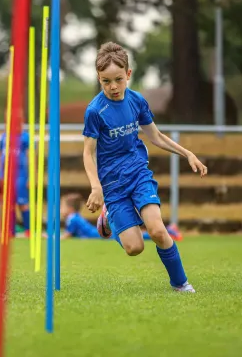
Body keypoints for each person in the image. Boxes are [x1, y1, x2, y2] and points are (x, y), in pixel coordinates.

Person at [82, 42, 208, 293]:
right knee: (134, 248)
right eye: (106, 82)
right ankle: (108, 218)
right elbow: (88, 152)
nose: (113, 87)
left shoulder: (137, 101)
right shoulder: (95, 111)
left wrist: (187, 153)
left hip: (139, 175)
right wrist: (96, 187)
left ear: (128, 74)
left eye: (118, 79)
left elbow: (156, 136)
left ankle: (180, 284)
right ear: (99, 79)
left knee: (159, 231)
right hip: (113, 186)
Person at [0, 113, 30, 236]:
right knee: (8, 204)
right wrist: (1, 172)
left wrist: (31, 176)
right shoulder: (4, 137)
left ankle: (29, 230)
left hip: (20, 174)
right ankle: (10, 231)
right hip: (6, 175)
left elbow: (30, 156)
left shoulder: (25, 137)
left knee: (22, 203)